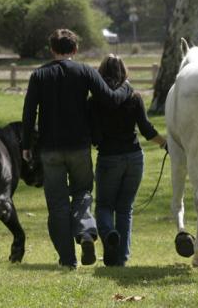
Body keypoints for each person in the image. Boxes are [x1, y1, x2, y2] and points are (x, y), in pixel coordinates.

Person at [21, 29, 133, 269]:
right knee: (83, 193)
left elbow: (29, 113)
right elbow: (110, 99)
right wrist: (127, 87)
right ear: (75, 50)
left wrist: (26, 145)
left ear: (52, 49)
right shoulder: (85, 71)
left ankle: (68, 259)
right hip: (79, 147)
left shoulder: (38, 75)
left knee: (57, 204)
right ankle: (84, 232)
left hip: (50, 149)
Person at [89, 54, 166, 266]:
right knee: (125, 209)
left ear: (100, 73)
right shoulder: (134, 97)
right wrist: (165, 144)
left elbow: (94, 135)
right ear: (124, 72)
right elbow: (147, 130)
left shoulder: (94, 101)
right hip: (134, 157)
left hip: (109, 158)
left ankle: (110, 233)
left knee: (104, 206)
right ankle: (121, 258)